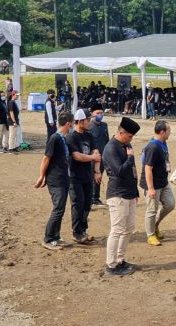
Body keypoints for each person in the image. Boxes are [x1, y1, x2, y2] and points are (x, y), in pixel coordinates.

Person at [102, 117, 141, 276]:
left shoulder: (126, 145)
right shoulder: (111, 148)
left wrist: (136, 191)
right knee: (117, 229)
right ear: (121, 132)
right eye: (130, 136)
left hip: (130, 193)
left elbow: (132, 171)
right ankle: (111, 265)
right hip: (117, 193)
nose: (131, 139)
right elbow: (119, 171)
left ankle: (120, 259)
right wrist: (130, 157)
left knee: (129, 228)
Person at [34, 112, 74, 250]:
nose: (72, 126)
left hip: (63, 177)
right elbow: (46, 158)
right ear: (68, 123)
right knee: (58, 208)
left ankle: (56, 236)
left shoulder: (63, 139)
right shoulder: (54, 138)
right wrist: (42, 176)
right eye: (72, 124)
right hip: (55, 179)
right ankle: (48, 238)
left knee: (61, 208)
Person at [66, 109, 101, 244]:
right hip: (74, 176)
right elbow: (77, 156)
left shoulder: (88, 135)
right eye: (88, 120)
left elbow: (97, 152)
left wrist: (97, 171)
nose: (90, 122)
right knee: (78, 204)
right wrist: (93, 157)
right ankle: (77, 232)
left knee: (87, 203)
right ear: (80, 121)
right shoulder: (71, 137)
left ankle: (83, 229)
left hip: (87, 175)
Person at [140, 120, 175, 246]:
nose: (170, 133)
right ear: (162, 132)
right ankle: (150, 235)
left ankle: (155, 225)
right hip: (153, 184)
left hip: (163, 182)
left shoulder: (163, 143)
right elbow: (148, 168)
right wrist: (150, 188)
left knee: (170, 204)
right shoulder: (153, 147)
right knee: (151, 209)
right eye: (168, 131)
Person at [89, 103, 109, 206]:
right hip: (91, 157)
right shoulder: (88, 126)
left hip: (103, 156)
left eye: (101, 113)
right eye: (97, 113)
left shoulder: (104, 126)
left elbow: (107, 140)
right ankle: (90, 198)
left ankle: (95, 198)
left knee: (99, 177)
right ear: (92, 113)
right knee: (91, 177)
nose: (100, 115)